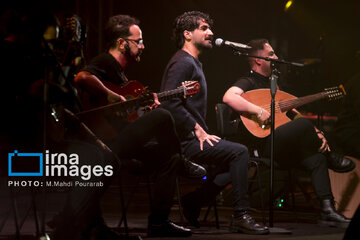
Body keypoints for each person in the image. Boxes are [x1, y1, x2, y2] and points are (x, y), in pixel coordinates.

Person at [72, 14, 208, 238]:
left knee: (169, 159)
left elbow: (127, 116)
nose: (143, 46)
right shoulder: (106, 61)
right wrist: (111, 95)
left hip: (122, 137)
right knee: (164, 116)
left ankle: (158, 222)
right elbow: (81, 77)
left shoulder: (121, 74)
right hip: (106, 142)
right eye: (139, 41)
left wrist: (144, 110)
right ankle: (184, 160)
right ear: (122, 42)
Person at [222, 38, 352, 228]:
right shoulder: (248, 81)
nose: (276, 57)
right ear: (258, 60)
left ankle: (328, 211)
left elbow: (291, 111)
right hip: (264, 144)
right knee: (304, 125)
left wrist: (317, 132)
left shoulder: (273, 84)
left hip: (282, 146)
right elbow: (228, 97)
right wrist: (258, 111)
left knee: (316, 159)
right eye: (271, 54)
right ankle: (332, 156)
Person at [160, 11, 269, 235]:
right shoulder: (183, 63)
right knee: (239, 153)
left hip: (191, 137)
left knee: (239, 160)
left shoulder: (193, 63)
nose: (211, 32)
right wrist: (197, 129)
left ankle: (193, 201)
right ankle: (241, 216)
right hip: (183, 142)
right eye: (204, 28)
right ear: (187, 34)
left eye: (210, 28)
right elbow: (168, 102)